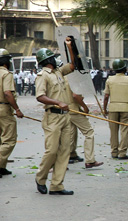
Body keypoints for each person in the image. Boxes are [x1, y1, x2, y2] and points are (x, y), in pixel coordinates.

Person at [34, 38, 75, 195]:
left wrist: (69, 47)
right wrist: (57, 102)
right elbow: (40, 96)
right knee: (51, 151)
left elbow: (72, 65)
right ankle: (40, 177)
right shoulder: (43, 75)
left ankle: (57, 185)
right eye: (53, 57)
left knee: (65, 151)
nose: (56, 60)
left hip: (65, 117)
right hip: (52, 117)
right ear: (48, 60)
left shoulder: (59, 71)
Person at [103, 59, 128, 160]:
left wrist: (104, 109)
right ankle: (122, 153)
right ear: (125, 68)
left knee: (113, 131)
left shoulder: (109, 80)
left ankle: (114, 152)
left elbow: (106, 96)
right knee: (124, 130)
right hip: (126, 108)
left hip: (113, 108)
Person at [64, 78, 104, 168]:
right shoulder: (73, 79)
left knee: (71, 134)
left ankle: (70, 155)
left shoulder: (62, 78)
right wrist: (85, 107)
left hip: (65, 110)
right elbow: (75, 96)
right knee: (89, 132)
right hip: (74, 110)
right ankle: (90, 160)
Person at [0, 48, 24, 178]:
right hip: (3, 109)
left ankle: (2, 167)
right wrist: (17, 109)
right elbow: (7, 93)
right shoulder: (6, 74)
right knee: (9, 140)